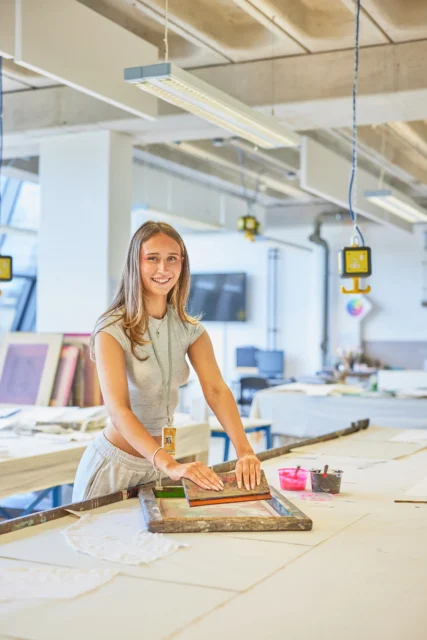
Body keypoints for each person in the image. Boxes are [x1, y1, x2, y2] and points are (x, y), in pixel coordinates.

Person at [72, 221, 261, 502]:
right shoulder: (111, 329)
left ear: (182, 264)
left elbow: (216, 390)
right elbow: (119, 411)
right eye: (152, 259)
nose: (164, 269)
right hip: (116, 467)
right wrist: (169, 464)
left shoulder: (190, 329)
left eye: (172, 259)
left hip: (160, 467)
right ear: (135, 264)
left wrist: (245, 451)